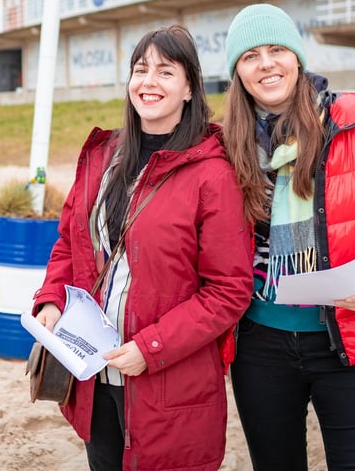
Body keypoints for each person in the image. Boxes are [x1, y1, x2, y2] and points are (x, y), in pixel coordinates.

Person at [32, 25, 253, 470]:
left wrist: (149, 348)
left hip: (167, 382)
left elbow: (228, 291)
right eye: (140, 69)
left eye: (165, 72)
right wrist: (51, 300)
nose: (148, 81)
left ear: (190, 87)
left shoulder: (213, 173)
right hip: (93, 371)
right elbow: (69, 244)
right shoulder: (103, 157)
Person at [221, 3, 355, 470]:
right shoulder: (221, 148)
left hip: (351, 339)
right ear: (237, 69)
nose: (267, 63)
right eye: (251, 55)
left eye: (277, 49)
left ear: (298, 56)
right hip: (260, 347)